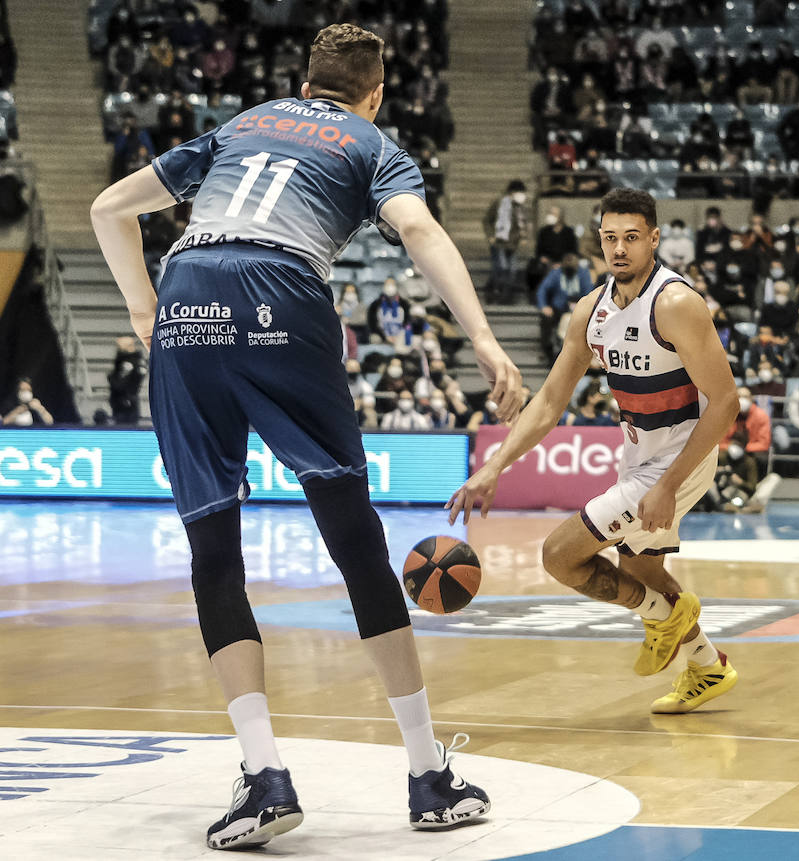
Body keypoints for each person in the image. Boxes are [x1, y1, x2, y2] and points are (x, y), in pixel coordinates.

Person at [89, 24, 523, 849]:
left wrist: (148, 312)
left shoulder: (245, 124)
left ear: (303, 79)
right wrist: (485, 340)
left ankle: (263, 778)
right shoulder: (370, 142)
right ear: (376, 93)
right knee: (355, 542)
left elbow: (109, 208)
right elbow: (420, 231)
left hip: (187, 289)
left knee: (213, 550)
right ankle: (429, 776)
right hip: (282, 292)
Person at [449, 187, 740, 715]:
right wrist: (492, 468)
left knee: (559, 555)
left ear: (655, 239)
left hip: (680, 460)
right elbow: (547, 405)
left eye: (632, 237)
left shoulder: (676, 304)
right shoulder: (590, 310)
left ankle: (664, 616)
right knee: (645, 572)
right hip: (638, 458)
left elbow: (725, 404)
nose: (620, 249)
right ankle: (707, 666)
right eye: (610, 238)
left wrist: (666, 487)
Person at [536, 252, 595, 363]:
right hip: (559, 308)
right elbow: (542, 290)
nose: (569, 271)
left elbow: (589, 293)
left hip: (579, 307)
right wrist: (544, 306)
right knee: (546, 319)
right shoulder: (556, 274)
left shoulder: (584, 274)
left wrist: (583, 307)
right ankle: (547, 350)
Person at [482, 179, 529, 304]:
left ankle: (505, 294)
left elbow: (523, 224)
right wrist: (491, 235)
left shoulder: (520, 208)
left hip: (513, 244)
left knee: (512, 271)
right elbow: (487, 220)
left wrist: (523, 237)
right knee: (501, 268)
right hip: (499, 243)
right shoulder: (499, 204)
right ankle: (495, 292)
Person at [108, 335, 146, 424]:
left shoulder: (135, 363)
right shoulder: (120, 361)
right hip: (118, 402)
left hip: (128, 402)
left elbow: (124, 384)